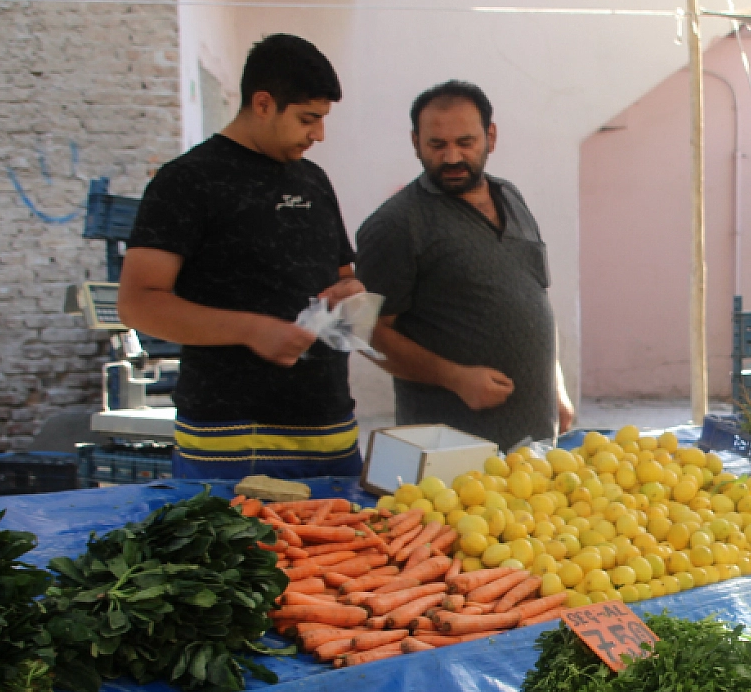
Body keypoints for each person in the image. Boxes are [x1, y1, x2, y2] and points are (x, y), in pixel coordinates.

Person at [120, 34, 364, 479]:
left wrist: (350, 294)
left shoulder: (314, 181)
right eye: (308, 119)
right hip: (229, 442)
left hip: (330, 434)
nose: (319, 135)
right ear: (264, 103)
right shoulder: (187, 181)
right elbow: (138, 303)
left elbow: (344, 276)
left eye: (323, 120)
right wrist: (251, 330)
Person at [356, 81, 574, 449]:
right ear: (415, 142)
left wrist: (556, 386)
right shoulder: (396, 224)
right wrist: (454, 377)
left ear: (491, 136)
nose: (452, 157)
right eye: (436, 145)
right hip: (450, 456)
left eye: (465, 142)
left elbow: (534, 296)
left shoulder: (510, 197)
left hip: (533, 449)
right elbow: (365, 332)